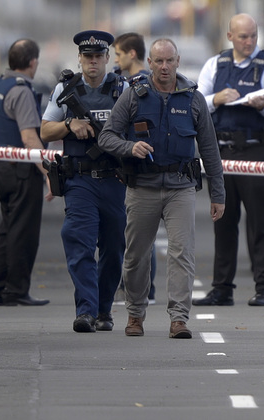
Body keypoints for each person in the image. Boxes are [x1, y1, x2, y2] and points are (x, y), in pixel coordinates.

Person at [98, 38, 226, 339]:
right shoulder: (133, 96)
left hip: (180, 187)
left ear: (178, 61)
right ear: (150, 63)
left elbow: (210, 150)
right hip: (142, 187)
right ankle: (135, 314)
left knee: (183, 252)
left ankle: (179, 319)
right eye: (158, 61)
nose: (164, 66)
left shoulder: (193, 99)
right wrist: (130, 147)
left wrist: (217, 195)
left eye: (169, 60)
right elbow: (106, 137)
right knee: (135, 256)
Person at [193, 14, 264, 307]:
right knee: (223, 219)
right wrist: (217, 99)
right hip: (221, 153)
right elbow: (197, 104)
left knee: (259, 220)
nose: (249, 42)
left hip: (254, 150)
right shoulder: (215, 65)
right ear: (230, 36)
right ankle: (222, 288)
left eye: (253, 36)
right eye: (243, 37)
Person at [41, 30, 127, 333]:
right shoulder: (66, 89)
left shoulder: (123, 89)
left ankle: (104, 309)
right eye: (87, 57)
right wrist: (69, 124)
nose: (93, 62)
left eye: (98, 57)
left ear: (107, 58)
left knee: (114, 248)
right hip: (79, 180)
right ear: (79, 59)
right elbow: (45, 131)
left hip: (115, 179)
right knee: (79, 242)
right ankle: (86, 311)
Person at [0, 39, 52, 308]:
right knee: (24, 232)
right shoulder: (22, 91)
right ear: (33, 62)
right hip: (22, 168)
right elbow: (30, 138)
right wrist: (46, 171)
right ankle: (16, 290)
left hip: (2, 165)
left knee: (7, 229)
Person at [113, 31, 157, 305]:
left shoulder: (142, 85)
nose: (115, 61)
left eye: (117, 55)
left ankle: (144, 290)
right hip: (124, 164)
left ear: (132, 54)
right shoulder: (125, 82)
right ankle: (133, 286)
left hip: (137, 165)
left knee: (140, 232)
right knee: (131, 231)